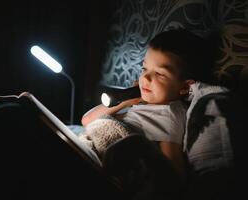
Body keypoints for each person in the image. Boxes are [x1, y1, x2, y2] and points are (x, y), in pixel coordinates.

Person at [80, 28, 214, 180]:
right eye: (144, 68)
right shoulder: (139, 101)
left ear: (184, 87)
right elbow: (87, 120)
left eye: (160, 74)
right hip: (90, 144)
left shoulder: (170, 114)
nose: (145, 78)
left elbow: (174, 172)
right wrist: (128, 99)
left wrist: (141, 148)